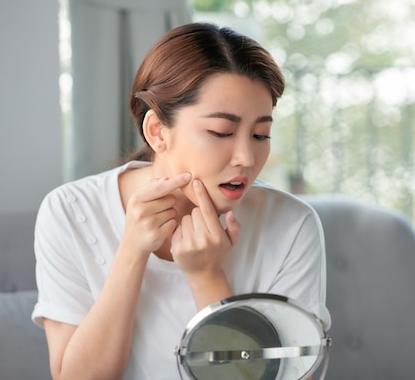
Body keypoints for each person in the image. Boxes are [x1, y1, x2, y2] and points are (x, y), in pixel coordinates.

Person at [31, 22, 328, 380]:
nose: (246, 158)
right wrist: (132, 251)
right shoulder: (71, 211)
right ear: (157, 131)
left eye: (260, 134)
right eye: (221, 132)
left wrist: (207, 277)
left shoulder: (292, 224)